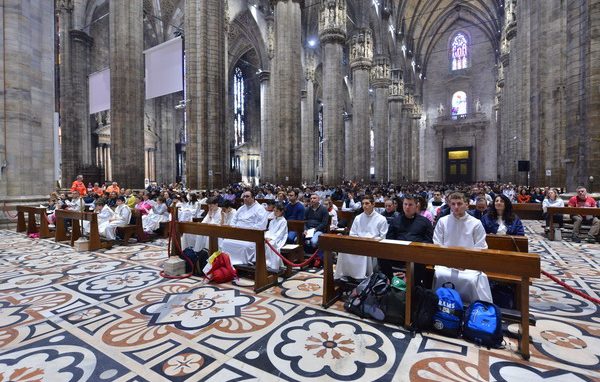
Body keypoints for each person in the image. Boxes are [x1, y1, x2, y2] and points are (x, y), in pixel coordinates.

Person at [433, 192, 491, 303]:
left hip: (469, 266)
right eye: (453, 204)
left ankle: (473, 307)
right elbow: (437, 244)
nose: (456, 207)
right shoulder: (443, 222)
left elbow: (481, 248)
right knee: (439, 274)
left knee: (471, 279)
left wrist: (465, 263)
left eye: (459, 204)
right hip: (446, 264)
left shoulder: (476, 223)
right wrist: (449, 262)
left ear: (467, 205)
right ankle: (441, 304)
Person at [380, 195, 433, 286]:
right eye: (405, 204)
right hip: (397, 253)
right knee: (381, 255)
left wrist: (417, 249)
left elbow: (428, 242)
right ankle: (391, 280)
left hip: (416, 254)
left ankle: (413, 287)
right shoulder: (396, 220)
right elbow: (389, 239)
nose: (407, 207)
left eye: (410, 205)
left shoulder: (425, 222)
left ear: (416, 206)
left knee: (419, 263)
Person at [334, 195, 389, 280]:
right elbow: (352, 234)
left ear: (373, 204)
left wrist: (369, 240)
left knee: (364, 250)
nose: (364, 206)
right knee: (343, 250)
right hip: (358, 242)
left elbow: (382, 237)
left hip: (372, 245)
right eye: (363, 203)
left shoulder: (381, 219)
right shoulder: (358, 218)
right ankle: (345, 274)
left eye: (367, 203)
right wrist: (358, 241)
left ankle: (361, 276)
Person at [220, 190, 269, 265]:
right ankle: (226, 262)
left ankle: (243, 264)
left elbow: (261, 225)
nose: (245, 198)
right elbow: (234, 220)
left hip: (251, 235)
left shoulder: (260, 209)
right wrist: (237, 228)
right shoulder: (241, 208)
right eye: (244, 196)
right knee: (225, 242)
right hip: (238, 233)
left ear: (253, 198)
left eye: (247, 196)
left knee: (245, 246)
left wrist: (246, 229)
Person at [303, 193, 329, 267]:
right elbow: (304, 221)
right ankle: (308, 259)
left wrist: (315, 229)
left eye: (314, 198)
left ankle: (318, 258)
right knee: (297, 239)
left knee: (313, 242)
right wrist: (305, 229)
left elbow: (324, 223)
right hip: (308, 230)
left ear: (318, 199)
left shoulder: (323, 209)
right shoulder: (307, 209)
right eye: (311, 198)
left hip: (319, 230)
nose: (312, 200)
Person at [264, 203, 288, 270]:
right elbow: (269, 231)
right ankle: (263, 262)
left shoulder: (283, 221)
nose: (274, 212)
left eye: (277, 211)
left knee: (271, 244)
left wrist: (271, 238)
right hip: (270, 237)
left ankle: (271, 265)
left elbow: (280, 233)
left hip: (279, 238)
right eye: (274, 211)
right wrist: (266, 237)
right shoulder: (272, 220)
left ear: (281, 211)